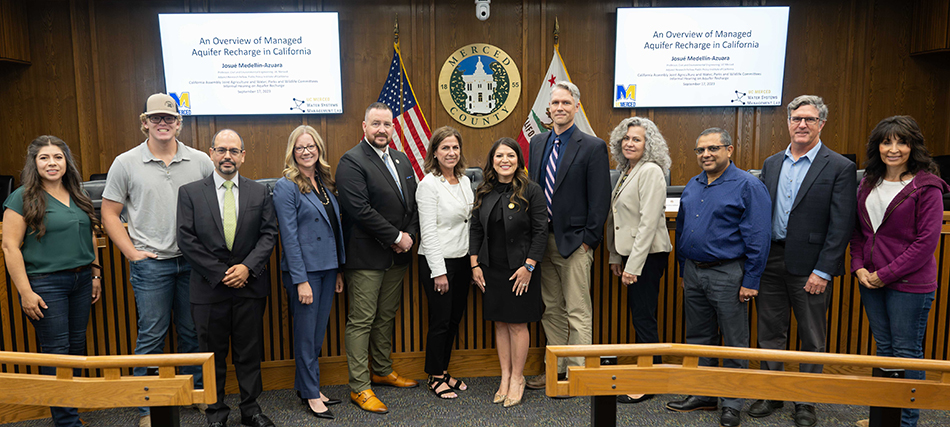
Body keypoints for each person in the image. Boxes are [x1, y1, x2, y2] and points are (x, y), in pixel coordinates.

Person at [100, 93, 213, 427]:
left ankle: (194, 394)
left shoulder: (200, 162)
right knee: (151, 336)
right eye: (156, 119)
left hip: (192, 263)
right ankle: (147, 409)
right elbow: (109, 212)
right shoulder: (125, 162)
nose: (162, 124)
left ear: (179, 123)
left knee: (193, 333)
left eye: (169, 118)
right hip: (151, 264)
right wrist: (132, 253)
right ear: (145, 122)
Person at [751, 95, 857, 427]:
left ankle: (806, 400)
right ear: (788, 122)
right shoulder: (771, 163)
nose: (802, 124)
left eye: (810, 119)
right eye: (797, 118)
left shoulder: (839, 166)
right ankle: (772, 392)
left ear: (821, 124)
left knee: (811, 336)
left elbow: (841, 226)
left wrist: (823, 270)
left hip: (812, 267)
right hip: (771, 261)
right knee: (770, 332)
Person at [666, 128, 771, 427]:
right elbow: (684, 229)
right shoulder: (693, 184)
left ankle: (732, 402)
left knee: (734, 342)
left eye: (713, 148)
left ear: (729, 149)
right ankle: (704, 394)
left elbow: (759, 236)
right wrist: (684, 269)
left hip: (729, 273)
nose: (706, 155)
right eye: (700, 150)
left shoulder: (748, 185)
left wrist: (751, 280)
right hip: (694, 272)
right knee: (699, 338)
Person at [850, 115, 949, 427]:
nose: (893, 149)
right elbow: (858, 233)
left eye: (901, 142)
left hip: (910, 285)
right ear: (877, 146)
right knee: (885, 351)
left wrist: (884, 274)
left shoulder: (927, 187)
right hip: (870, 281)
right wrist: (859, 268)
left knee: (906, 352)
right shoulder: (867, 183)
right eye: (886, 141)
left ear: (913, 146)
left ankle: (905, 422)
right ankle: (884, 417)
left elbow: (925, 243)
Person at [176, 129, 278, 427]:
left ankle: (251, 409)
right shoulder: (191, 192)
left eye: (234, 151)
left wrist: (247, 267)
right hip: (209, 289)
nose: (227, 156)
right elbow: (186, 239)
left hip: (250, 285)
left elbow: (268, 234)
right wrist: (221, 273)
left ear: (243, 156)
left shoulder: (259, 192)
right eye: (221, 150)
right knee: (212, 355)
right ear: (211, 154)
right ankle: (216, 412)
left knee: (249, 352)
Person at [2, 136, 102, 427]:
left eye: (57, 157)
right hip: (46, 284)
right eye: (44, 158)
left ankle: (72, 411)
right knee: (57, 352)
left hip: (82, 280)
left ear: (66, 161)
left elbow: (91, 235)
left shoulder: (78, 193)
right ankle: (67, 422)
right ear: (34, 163)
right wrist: (25, 293)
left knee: (77, 347)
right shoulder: (22, 197)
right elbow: (10, 246)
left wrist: (95, 273)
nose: (52, 163)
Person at [335, 102, 420, 414]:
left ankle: (382, 370)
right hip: (366, 256)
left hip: (397, 258)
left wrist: (407, 236)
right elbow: (359, 210)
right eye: (376, 124)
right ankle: (360, 387)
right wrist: (397, 237)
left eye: (387, 124)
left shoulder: (400, 159)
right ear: (364, 125)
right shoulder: (351, 161)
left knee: (386, 315)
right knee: (362, 320)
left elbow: (412, 203)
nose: (382, 130)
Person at [525, 81, 610, 391]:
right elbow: (535, 191)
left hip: (575, 243)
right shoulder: (538, 143)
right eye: (555, 103)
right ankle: (555, 368)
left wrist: (589, 239)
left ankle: (578, 373)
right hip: (542, 241)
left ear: (576, 107)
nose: (559, 107)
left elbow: (600, 199)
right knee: (551, 307)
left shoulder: (592, 146)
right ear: (548, 109)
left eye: (565, 103)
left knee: (577, 309)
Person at [273, 125, 346, 419]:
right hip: (304, 273)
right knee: (305, 335)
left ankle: (308, 386)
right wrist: (300, 280)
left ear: (319, 150)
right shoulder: (286, 185)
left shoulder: (324, 182)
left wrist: (339, 269)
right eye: (300, 147)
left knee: (316, 335)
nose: (306, 152)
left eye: (311, 146)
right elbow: (288, 237)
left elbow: (334, 229)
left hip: (328, 269)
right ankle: (311, 393)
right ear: (292, 152)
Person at [470, 138, 547, 408]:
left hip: (521, 269)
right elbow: (476, 230)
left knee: (517, 324)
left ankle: (517, 378)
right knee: (500, 323)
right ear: (492, 160)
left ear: (518, 160)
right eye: (500, 155)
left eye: (511, 155)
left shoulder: (532, 190)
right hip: (491, 268)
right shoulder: (484, 190)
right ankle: (504, 377)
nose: (505, 160)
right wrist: (474, 264)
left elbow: (541, 232)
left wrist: (528, 267)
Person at [604, 117, 673, 405]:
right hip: (631, 254)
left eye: (637, 139)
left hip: (647, 256)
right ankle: (650, 374)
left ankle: (648, 382)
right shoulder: (627, 170)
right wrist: (615, 254)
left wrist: (633, 266)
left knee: (644, 318)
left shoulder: (652, 171)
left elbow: (648, 223)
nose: (629, 143)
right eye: (626, 138)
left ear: (649, 144)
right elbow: (620, 219)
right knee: (640, 316)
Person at [416, 126, 474, 399]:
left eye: (455, 147)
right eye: (445, 148)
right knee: (440, 321)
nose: (451, 153)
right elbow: (427, 231)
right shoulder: (428, 184)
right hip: (437, 263)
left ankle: (443, 369)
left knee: (453, 320)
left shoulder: (464, 180)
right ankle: (435, 376)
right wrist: (439, 272)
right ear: (435, 153)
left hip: (462, 261)